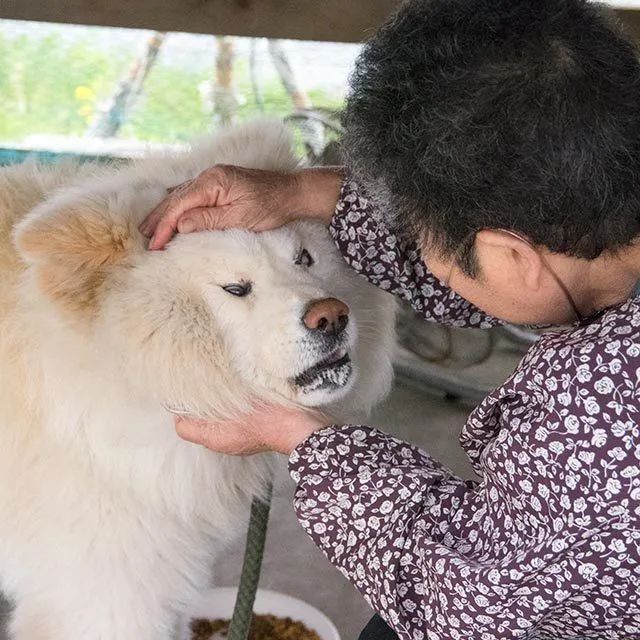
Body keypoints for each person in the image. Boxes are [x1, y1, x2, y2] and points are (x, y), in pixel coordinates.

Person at [141, 1, 640, 638]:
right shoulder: (596, 238)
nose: (419, 260)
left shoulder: (604, 421)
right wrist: (301, 193)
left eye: (425, 244)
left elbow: (469, 609)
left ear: (512, 255)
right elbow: (513, 285)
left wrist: (306, 441)